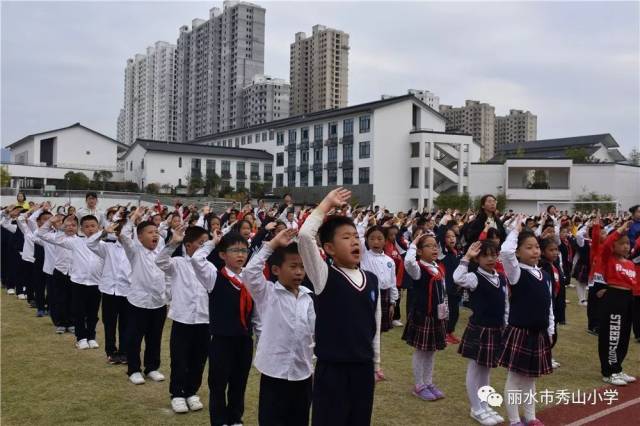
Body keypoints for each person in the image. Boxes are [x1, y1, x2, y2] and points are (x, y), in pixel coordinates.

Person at [298, 188, 381, 426]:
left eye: (356, 236)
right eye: (346, 237)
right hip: (332, 370)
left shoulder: (371, 280)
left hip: (363, 368)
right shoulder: (324, 275)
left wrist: (375, 363)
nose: (354, 241)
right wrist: (326, 205)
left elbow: (373, 326)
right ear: (329, 248)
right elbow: (305, 236)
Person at [241, 228, 315, 426]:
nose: (299, 271)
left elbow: (313, 333)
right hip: (275, 373)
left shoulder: (308, 298)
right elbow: (250, 272)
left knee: (299, 419)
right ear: (276, 270)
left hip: (303, 373)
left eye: (302, 266)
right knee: (272, 419)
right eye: (293, 266)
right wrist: (272, 244)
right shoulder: (268, 294)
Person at [191, 231, 254, 426]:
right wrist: (213, 242)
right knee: (218, 384)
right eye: (234, 250)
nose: (240, 255)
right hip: (222, 340)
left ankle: (235, 418)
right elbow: (196, 259)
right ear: (222, 255)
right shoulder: (214, 277)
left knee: (239, 382)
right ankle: (219, 421)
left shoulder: (251, 279)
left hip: (244, 340)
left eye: (244, 250)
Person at [498, 215, 554, 426]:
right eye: (529, 247)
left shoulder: (545, 275)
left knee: (531, 378)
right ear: (518, 252)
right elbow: (505, 252)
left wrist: (550, 329)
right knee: (514, 378)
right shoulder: (516, 272)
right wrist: (515, 231)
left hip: (539, 333)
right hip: (520, 331)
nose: (535, 251)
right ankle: (514, 420)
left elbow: (548, 305)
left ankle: (530, 416)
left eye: (537, 247)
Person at [156, 225, 210, 414]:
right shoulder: (178, 263)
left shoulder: (209, 266)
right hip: (182, 319)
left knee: (199, 359)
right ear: (188, 245)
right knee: (179, 359)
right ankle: (177, 394)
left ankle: (191, 392)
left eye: (206, 243)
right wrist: (172, 243)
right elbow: (160, 262)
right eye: (200, 243)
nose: (204, 247)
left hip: (204, 320)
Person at [454, 241, 507, 426]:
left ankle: (485, 405)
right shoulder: (474, 277)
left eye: (494, 254)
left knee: (486, 370)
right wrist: (467, 257)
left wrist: (506, 324)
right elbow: (457, 278)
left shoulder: (501, 277)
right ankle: (476, 408)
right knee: (475, 368)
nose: (491, 259)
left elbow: (505, 304)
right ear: (478, 258)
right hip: (480, 329)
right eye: (486, 255)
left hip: (496, 329)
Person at [37, 215, 104, 349]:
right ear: (81, 229)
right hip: (78, 282)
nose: (90, 229)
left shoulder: (104, 245)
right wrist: (54, 222)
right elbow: (42, 234)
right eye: (86, 226)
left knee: (92, 313)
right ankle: (81, 338)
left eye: (93, 226)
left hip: (96, 283)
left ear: (99, 228)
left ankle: (91, 337)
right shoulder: (75, 242)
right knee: (78, 312)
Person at [118, 208, 167, 385]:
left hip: (158, 303)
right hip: (138, 302)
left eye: (156, 232)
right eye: (150, 232)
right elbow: (123, 235)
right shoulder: (135, 251)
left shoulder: (161, 252)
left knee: (154, 337)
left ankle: (152, 367)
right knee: (134, 337)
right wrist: (133, 219)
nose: (154, 235)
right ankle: (133, 369)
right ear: (139, 237)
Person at [403, 230, 447, 401]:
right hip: (424, 315)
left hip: (437, 316)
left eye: (435, 246)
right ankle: (419, 385)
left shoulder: (438, 267)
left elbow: (442, 293)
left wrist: (445, 313)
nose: (434, 249)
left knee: (431, 351)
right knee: (421, 351)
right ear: (420, 251)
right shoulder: (418, 268)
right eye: (429, 246)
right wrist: (413, 243)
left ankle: (428, 382)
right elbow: (408, 261)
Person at [595, 221, 637, 386]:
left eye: (628, 244)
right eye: (622, 244)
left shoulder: (631, 263)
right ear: (614, 246)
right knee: (612, 335)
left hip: (628, 299)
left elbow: (633, 283)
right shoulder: (608, 258)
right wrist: (619, 231)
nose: (626, 247)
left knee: (624, 335)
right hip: (614, 298)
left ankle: (617, 367)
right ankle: (608, 371)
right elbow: (605, 245)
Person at [86, 220, 131, 364]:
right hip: (109, 291)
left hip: (127, 292)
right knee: (109, 323)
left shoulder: (135, 250)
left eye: (128, 231)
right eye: (121, 231)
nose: (124, 234)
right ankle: (111, 352)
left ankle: (124, 352)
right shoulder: (108, 247)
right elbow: (90, 243)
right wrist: (104, 231)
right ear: (116, 233)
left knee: (125, 323)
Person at [539, 237, 563, 369]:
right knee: (548, 331)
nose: (555, 253)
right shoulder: (544, 266)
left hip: (554, 302)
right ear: (543, 252)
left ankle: (547, 354)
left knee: (553, 331)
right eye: (551, 250)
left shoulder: (555, 265)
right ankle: (544, 355)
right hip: (547, 304)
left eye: (556, 250)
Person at [440, 228, 463, 344]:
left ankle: (450, 332)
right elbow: (439, 235)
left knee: (455, 312)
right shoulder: (442, 253)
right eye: (448, 236)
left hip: (456, 287)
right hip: (447, 287)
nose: (451, 238)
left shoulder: (457, 252)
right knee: (447, 312)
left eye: (453, 236)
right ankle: (444, 333)